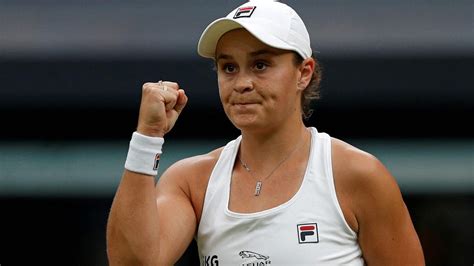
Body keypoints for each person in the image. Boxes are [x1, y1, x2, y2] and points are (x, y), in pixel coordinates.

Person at [106, 0, 425, 265]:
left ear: (303, 73)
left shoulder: (358, 174)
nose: (242, 82)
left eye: (260, 65)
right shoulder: (192, 181)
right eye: (228, 67)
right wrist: (148, 136)